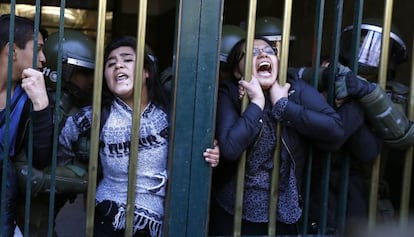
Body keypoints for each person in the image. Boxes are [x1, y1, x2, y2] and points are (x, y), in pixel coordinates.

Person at [58, 36, 220, 237]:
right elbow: (61, 143)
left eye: (127, 59)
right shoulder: (95, 116)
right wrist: (75, 174)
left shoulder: (171, 115)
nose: (118, 65)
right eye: (111, 63)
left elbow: (196, 150)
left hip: (162, 222)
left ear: (146, 72)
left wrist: (212, 150)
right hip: (109, 218)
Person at [209, 37, 344, 236]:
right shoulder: (229, 92)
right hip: (234, 213)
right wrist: (256, 104)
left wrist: (284, 106)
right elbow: (229, 148)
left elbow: (336, 131)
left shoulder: (295, 89)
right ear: (238, 71)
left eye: (269, 51)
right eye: (252, 53)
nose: (263, 54)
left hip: (283, 213)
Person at [13, 29, 96, 237]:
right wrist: (83, 179)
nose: (90, 80)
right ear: (63, 71)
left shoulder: (74, 110)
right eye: (83, 73)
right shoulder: (43, 106)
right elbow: (25, 174)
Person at [0, 14, 53, 236]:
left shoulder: (29, 95)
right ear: (12, 51)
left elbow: (40, 159)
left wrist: (41, 104)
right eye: (38, 49)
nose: (43, 59)